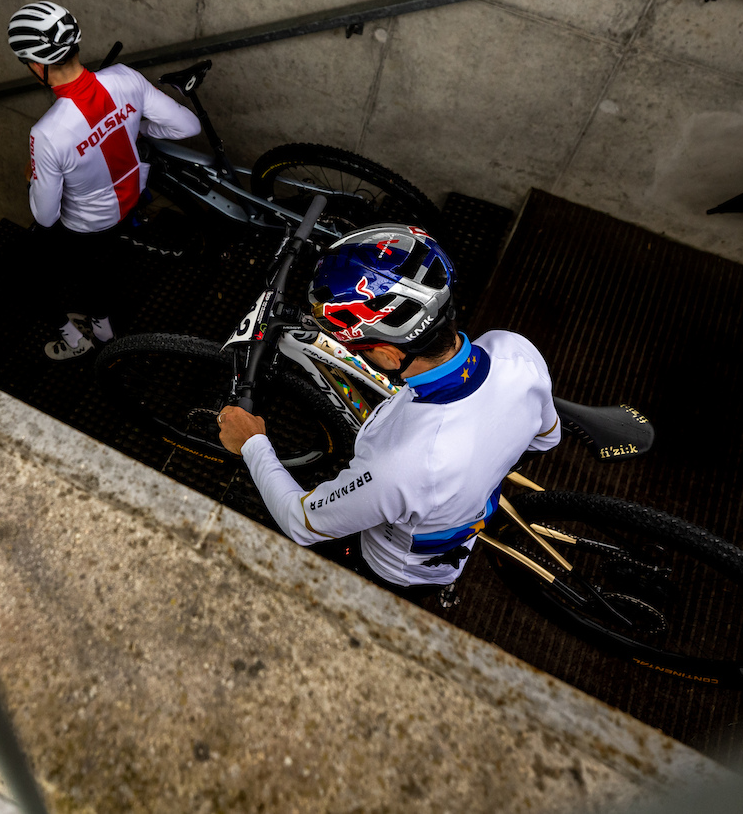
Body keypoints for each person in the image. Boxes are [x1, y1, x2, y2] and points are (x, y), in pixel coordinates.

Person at [215, 224, 561, 607]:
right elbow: (546, 438)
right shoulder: (514, 350)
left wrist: (252, 443)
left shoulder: (402, 463)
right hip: (459, 511)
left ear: (390, 356)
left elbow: (301, 523)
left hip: (395, 570)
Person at [8, 1, 201, 359]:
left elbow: (46, 216)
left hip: (84, 226)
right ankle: (104, 331)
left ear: (37, 65)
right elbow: (188, 125)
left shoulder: (47, 133)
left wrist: (32, 177)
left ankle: (75, 339)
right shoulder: (125, 78)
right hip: (128, 204)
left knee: (25, 271)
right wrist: (131, 128)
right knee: (101, 269)